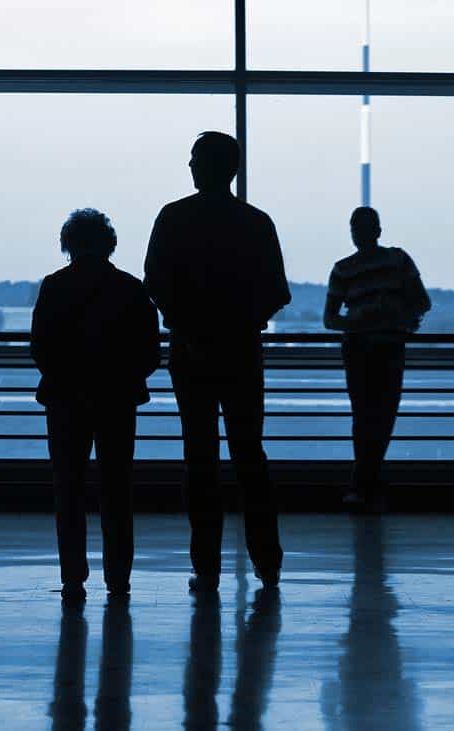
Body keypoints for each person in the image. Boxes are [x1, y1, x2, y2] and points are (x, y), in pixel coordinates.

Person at [144, 131, 290, 593]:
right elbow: (276, 291)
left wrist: (189, 326)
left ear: (200, 167)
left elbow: (156, 281)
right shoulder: (256, 222)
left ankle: (205, 561)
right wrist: (239, 322)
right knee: (250, 455)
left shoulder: (173, 218)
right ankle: (266, 558)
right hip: (242, 352)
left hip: (191, 352)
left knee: (199, 456)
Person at [30, 209, 159, 602]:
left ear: (69, 244)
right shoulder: (130, 289)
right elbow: (150, 352)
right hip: (117, 399)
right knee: (116, 489)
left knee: (68, 488)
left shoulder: (54, 287)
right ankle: (118, 576)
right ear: (109, 243)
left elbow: (41, 347)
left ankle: (73, 576)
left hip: (65, 398)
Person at [324, 207, 430, 512]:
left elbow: (330, 319)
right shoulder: (398, 261)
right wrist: (399, 318)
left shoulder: (343, 270)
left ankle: (363, 484)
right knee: (383, 416)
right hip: (389, 347)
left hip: (358, 350)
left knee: (364, 416)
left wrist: (357, 320)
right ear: (379, 231)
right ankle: (367, 484)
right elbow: (422, 302)